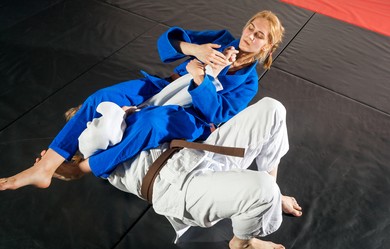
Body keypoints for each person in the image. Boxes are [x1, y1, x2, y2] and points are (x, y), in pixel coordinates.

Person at [0, 10, 285, 190]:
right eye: (250, 27)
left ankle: (83, 168)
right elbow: (167, 41)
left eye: (259, 35)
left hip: (189, 116)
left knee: (149, 122)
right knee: (102, 96)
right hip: (162, 87)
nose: (250, 35)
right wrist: (194, 49)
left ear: (268, 46)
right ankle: (44, 167)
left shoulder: (249, 82)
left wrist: (202, 80)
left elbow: (214, 114)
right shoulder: (221, 39)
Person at [1, 96, 303, 249]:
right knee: (262, 191)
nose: (94, 119)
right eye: (83, 120)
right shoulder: (92, 157)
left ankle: (272, 192)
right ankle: (243, 241)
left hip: (197, 153)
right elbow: (73, 171)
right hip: (177, 186)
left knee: (273, 108)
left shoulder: (130, 116)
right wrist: (50, 166)